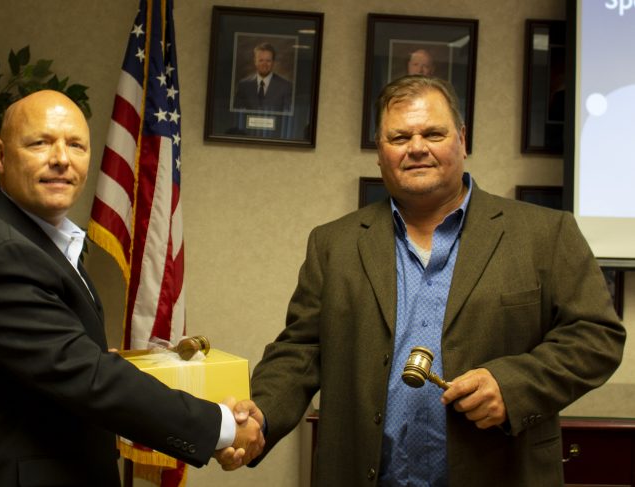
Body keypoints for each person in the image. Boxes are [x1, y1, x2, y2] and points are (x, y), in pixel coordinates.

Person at [225, 75, 626, 485]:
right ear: (380, 152)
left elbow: (597, 336)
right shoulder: (334, 243)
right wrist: (261, 414)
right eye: (399, 137)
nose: (417, 148)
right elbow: (301, 351)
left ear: (462, 140)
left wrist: (512, 386)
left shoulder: (545, 233)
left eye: (433, 133)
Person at [0, 90, 263, 486]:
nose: (61, 160)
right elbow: (90, 378)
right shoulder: (4, 256)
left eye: (75, 145)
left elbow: (65, 363)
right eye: (40, 143)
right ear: (0, 155)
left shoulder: (38, 240)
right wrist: (221, 425)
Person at [233, 42, 293, 112]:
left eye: (268, 61)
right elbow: (236, 113)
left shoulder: (285, 86)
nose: (264, 64)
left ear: (273, 62)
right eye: (261, 60)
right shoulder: (243, 85)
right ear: (255, 61)